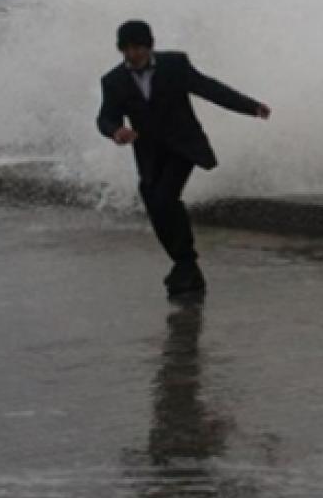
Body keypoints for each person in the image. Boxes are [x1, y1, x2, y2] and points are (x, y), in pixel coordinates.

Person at [97, 20, 270, 297]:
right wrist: (116, 131)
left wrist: (251, 107)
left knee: (166, 198)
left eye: (138, 47)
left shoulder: (174, 64)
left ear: (149, 45)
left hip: (183, 146)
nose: (133, 54)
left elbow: (209, 88)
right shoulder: (113, 80)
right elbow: (105, 117)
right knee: (153, 201)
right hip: (150, 152)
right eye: (127, 49)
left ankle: (186, 263)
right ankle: (183, 265)